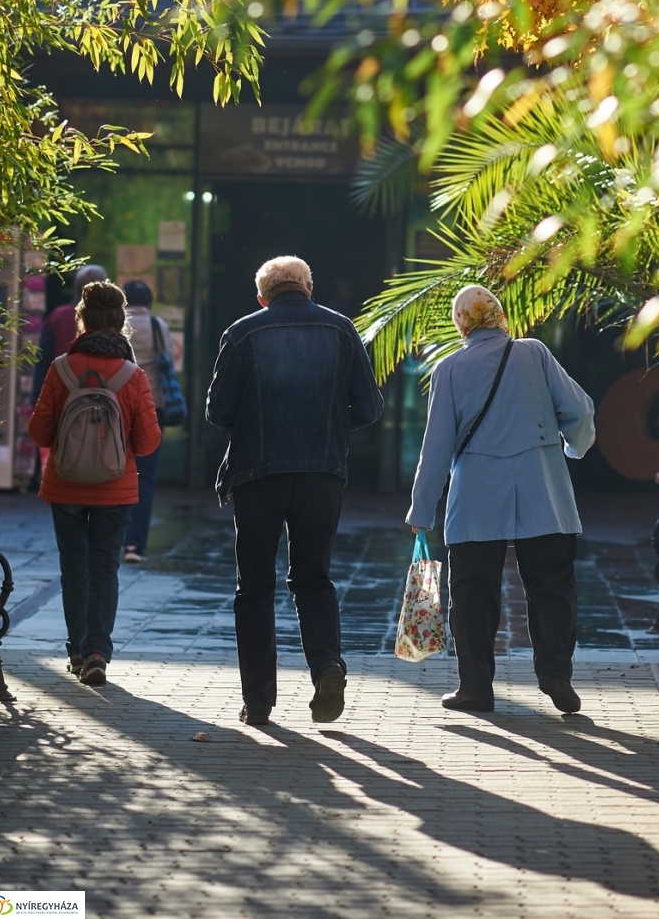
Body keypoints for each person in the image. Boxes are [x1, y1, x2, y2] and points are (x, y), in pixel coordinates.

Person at [206, 255, 383, 727]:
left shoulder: (241, 333)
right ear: (309, 287)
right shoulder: (341, 329)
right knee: (313, 578)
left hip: (256, 475)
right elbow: (368, 407)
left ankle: (259, 701)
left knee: (254, 587)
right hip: (322, 473)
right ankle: (327, 665)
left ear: (261, 297)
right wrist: (329, 426)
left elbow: (218, 411)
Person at [407, 285, 595, 715]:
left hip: (477, 494)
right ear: (498, 314)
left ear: (462, 323)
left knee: (472, 591)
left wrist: (422, 508)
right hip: (542, 487)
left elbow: (436, 447)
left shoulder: (449, 369)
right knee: (552, 584)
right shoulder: (534, 353)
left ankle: (475, 688)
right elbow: (580, 411)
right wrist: (573, 449)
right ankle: (555, 673)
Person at [28, 281, 161, 685]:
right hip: (114, 488)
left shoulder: (61, 368)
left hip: (65, 483)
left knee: (74, 568)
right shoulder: (132, 375)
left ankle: (76, 650)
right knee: (105, 567)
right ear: (121, 323)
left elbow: (39, 431)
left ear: (81, 320)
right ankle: (97, 651)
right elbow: (148, 442)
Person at [121, 279, 177, 564]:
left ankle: (113, 537)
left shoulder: (118, 326)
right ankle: (135, 544)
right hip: (152, 406)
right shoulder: (158, 326)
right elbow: (169, 362)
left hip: (119, 408)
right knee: (145, 477)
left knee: (116, 471)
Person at [32, 264, 107, 402]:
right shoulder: (111, 320)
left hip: (62, 396)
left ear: (76, 288)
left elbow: (44, 360)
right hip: (102, 399)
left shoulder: (58, 317)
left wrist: (37, 398)